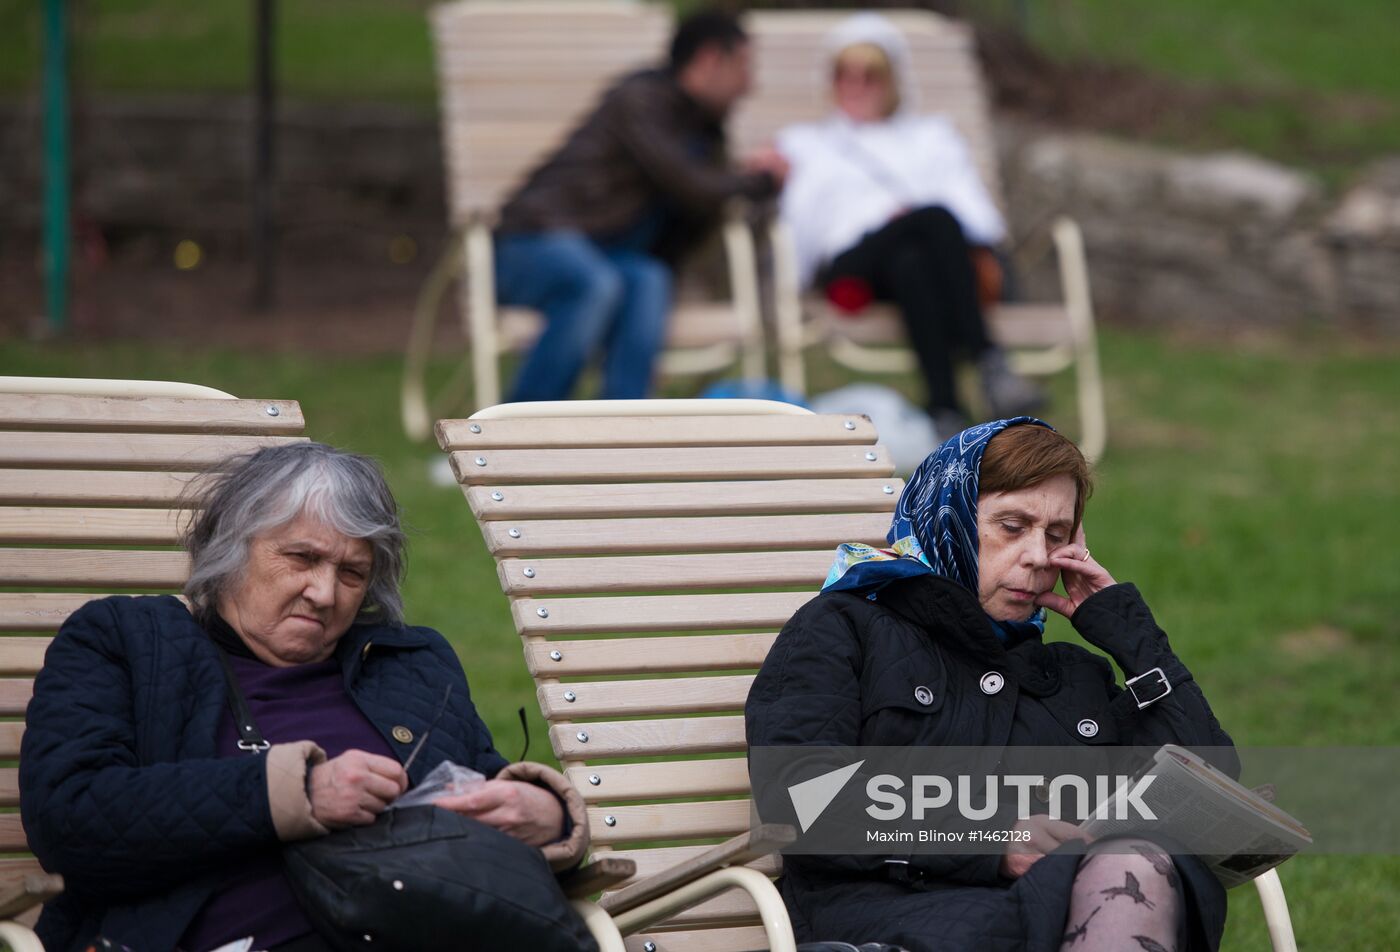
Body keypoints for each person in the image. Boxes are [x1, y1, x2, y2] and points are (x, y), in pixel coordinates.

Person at [19, 442, 588, 952]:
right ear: (231, 547)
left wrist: (545, 814)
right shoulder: (126, 640)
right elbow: (70, 818)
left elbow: (482, 788)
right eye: (301, 558)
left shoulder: (406, 664)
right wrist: (295, 793)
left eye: (352, 573)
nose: (323, 593)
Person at [746, 419, 1238, 952]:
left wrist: (1127, 632)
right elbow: (803, 798)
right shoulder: (844, 628)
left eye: (1056, 534)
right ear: (951, 517)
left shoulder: (1071, 674)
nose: (1038, 556)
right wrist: (990, 839)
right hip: (887, 919)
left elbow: (1204, 783)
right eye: (1012, 525)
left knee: (1136, 858)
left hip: (1055, 910)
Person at [494, 8, 787, 403]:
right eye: (744, 67)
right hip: (530, 243)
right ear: (710, 59)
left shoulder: (704, 128)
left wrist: (746, 181)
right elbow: (693, 184)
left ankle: (623, 439)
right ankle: (513, 442)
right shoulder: (640, 101)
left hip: (604, 256)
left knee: (649, 279)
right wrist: (760, 179)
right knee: (594, 284)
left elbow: (704, 208)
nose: (750, 85)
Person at [776, 13, 1044, 436]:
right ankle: (990, 362)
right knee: (933, 217)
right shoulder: (806, 142)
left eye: (870, 75)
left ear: (891, 81)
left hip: (914, 267)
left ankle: (945, 409)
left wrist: (907, 224)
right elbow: (802, 220)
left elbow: (977, 217)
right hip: (849, 263)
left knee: (912, 261)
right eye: (845, 75)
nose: (856, 85)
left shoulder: (931, 136)